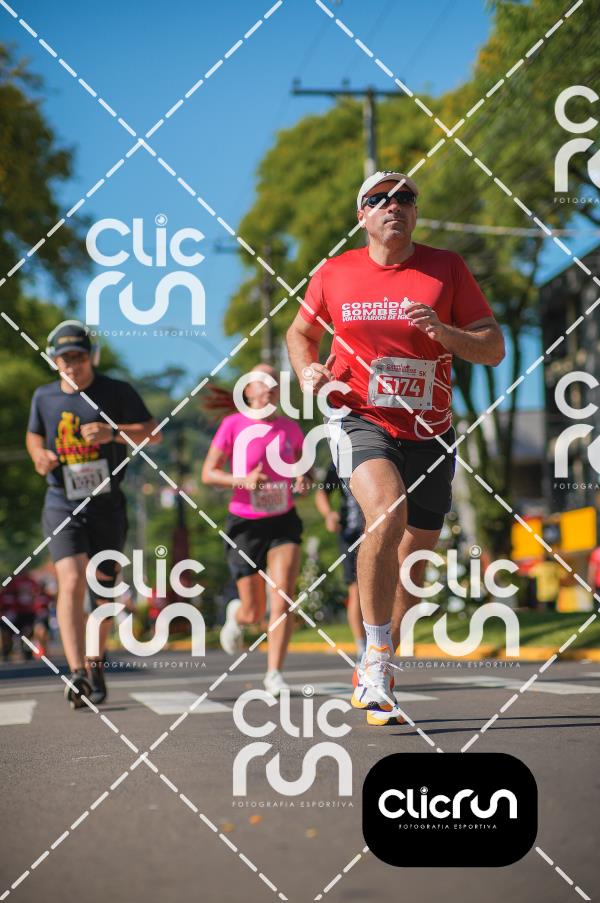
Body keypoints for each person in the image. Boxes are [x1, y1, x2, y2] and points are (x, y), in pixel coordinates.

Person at [286, 170, 504, 725]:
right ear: (362, 215)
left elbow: (493, 348)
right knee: (386, 512)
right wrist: (308, 370)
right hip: (360, 415)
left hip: (430, 429)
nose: (394, 205)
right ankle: (377, 655)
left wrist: (444, 332)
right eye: (380, 199)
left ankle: (379, 663)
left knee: (414, 561)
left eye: (405, 197)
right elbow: (300, 333)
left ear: (414, 211)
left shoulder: (446, 268)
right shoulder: (334, 272)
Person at [26, 320, 160, 708]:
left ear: (91, 358)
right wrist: (39, 456)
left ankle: (95, 663)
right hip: (62, 503)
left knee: (102, 593)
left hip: (107, 506)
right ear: (54, 361)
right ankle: (77, 673)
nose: (72, 365)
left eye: (79, 357)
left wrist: (113, 433)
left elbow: (154, 433)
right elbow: (34, 435)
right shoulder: (44, 397)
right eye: (64, 358)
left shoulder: (117, 391)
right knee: (70, 581)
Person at [201, 364, 309, 697]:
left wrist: (303, 477)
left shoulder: (290, 428)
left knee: (283, 598)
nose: (271, 385)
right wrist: (242, 480)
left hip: (283, 519)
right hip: (245, 524)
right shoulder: (233, 425)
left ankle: (274, 673)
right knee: (253, 611)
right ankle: (237, 615)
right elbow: (208, 473)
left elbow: (304, 467)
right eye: (262, 380)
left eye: (275, 381)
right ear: (248, 391)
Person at [314, 463, 366, 659]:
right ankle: (362, 647)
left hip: (380, 531)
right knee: (356, 590)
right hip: (351, 535)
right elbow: (322, 493)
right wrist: (329, 514)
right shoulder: (341, 460)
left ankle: (382, 640)